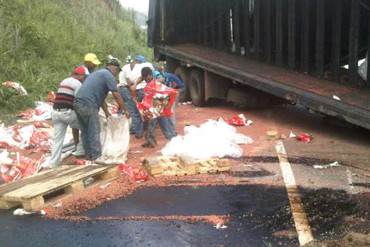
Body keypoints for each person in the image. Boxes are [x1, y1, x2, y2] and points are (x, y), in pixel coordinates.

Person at [74, 58, 129, 162]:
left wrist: (107, 112)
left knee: (85, 131)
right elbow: (116, 94)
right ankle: (96, 157)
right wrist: (125, 110)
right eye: (117, 71)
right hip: (89, 103)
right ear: (114, 67)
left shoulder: (97, 74)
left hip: (78, 102)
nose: (117, 74)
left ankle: (89, 155)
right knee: (94, 130)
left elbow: (101, 97)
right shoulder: (108, 75)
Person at [48, 66, 86, 168]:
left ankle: (53, 164)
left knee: (58, 140)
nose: (83, 79)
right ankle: (80, 151)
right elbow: (78, 101)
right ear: (80, 75)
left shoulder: (64, 81)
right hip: (67, 113)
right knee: (86, 126)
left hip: (55, 112)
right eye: (83, 76)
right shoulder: (78, 84)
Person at [140, 68, 177, 148]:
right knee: (160, 125)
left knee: (154, 124)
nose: (145, 79)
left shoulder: (153, 84)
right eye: (144, 78)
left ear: (150, 75)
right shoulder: (154, 84)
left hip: (157, 106)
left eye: (146, 77)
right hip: (158, 106)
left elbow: (167, 93)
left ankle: (171, 140)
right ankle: (172, 139)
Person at [118, 56, 144, 138]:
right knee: (134, 111)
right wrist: (134, 92)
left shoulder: (128, 68)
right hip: (124, 89)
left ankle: (133, 128)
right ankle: (137, 131)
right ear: (136, 61)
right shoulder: (127, 68)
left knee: (129, 109)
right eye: (139, 63)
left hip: (124, 89)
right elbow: (129, 81)